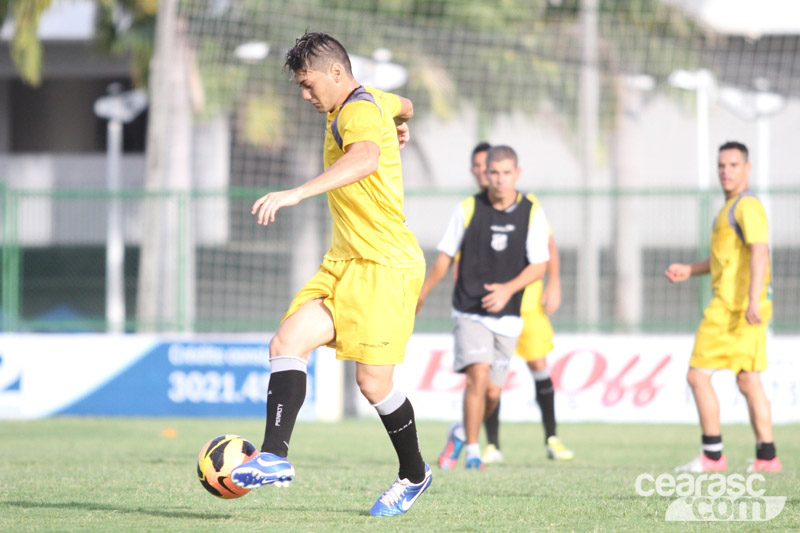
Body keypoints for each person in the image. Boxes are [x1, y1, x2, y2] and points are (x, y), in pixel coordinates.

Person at [230, 32, 432, 517]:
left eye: (307, 84)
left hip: (386, 265)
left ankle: (415, 475)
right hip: (344, 261)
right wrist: (402, 123)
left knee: (374, 386)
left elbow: (364, 158)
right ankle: (275, 457)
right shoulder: (372, 102)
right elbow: (404, 103)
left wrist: (297, 193)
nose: (305, 95)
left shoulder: (359, 112)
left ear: (336, 73)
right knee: (285, 343)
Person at [417, 145, 550, 471]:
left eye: (506, 173)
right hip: (469, 310)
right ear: (484, 174)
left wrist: (507, 290)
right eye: (494, 173)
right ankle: (474, 452)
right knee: (477, 376)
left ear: (517, 174)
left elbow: (539, 266)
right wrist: (420, 293)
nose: (500, 179)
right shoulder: (467, 209)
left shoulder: (531, 211)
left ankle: (462, 432)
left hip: (508, 317)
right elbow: (445, 259)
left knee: (491, 393)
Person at [666, 141, 781, 473]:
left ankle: (713, 456)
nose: (725, 171)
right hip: (740, 307)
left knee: (697, 376)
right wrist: (690, 269)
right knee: (748, 380)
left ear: (747, 169)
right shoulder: (729, 207)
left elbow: (760, 251)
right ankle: (767, 457)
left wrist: (752, 299)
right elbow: (726, 260)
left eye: (733, 165)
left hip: (735, 309)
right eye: (721, 165)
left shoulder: (747, 206)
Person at [465, 144, 573, 464]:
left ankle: (552, 438)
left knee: (539, 365)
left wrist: (554, 284)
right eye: (481, 168)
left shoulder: (528, 206)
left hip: (526, 304)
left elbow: (549, 246)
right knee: (486, 379)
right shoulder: (472, 210)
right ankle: (492, 445)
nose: (487, 174)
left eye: (493, 168)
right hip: (489, 307)